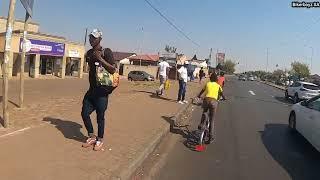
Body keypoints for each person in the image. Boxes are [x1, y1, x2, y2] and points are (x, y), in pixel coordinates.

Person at [81, 29, 116, 151]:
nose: (91, 40)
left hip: (102, 92)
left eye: (94, 38)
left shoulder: (106, 52)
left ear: (100, 39)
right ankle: (92, 135)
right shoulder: (89, 52)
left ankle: (100, 140)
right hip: (92, 90)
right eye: (90, 37)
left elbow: (113, 69)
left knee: (100, 117)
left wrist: (100, 59)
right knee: (84, 113)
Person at [197, 73, 226, 144]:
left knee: (204, 111)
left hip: (206, 100)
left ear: (210, 78)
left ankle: (201, 124)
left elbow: (202, 91)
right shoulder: (218, 85)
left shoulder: (208, 84)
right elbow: (221, 94)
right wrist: (224, 98)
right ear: (216, 79)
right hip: (214, 102)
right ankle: (210, 137)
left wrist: (199, 95)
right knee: (212, 120)